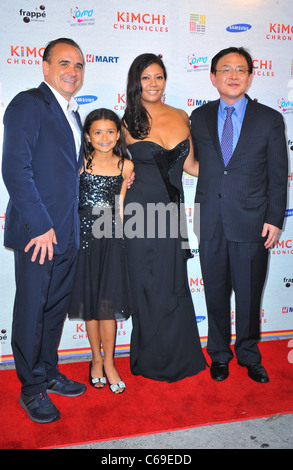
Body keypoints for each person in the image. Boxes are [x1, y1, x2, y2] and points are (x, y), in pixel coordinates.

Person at [190, 47, 288, 383]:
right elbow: (191, 164)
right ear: (213, 76)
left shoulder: (270, 119)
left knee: (248, 295)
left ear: (250, 75)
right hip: (211, 220)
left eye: (240, 69)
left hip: (252, 221)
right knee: (215, 293)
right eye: (225, 69)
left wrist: (275, 218)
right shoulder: (198, 117)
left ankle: (248, 353)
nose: (233, 76)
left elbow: (279, 174)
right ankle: (218, 354)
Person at [2, 38, 87, 423]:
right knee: (32, 310)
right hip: (39, 233)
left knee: (53, 310)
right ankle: (31, 388)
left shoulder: (74, 113)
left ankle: (48, 371)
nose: (72, 71)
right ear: (45, 67)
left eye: (79, 65)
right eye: (64, 63)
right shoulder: (28, 104)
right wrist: (39, 226)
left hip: (68, 232)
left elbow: (66, 171)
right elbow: (15, 170)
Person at [122, 53, 207, 382]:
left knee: (174, 284)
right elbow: (115, 170)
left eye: (158, 77)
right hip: (140, 216)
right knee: (145, 284)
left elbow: (192, 167)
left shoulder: (181, 115)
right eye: (146, 78)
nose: (153, 83)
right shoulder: (126, 122)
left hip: (172, 214)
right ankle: (149, 358)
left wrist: (234, 165)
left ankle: (178, 355)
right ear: (136, 82)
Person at [68, 108, 134, 394]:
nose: (104, 137)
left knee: (108, 305)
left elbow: (121, 207)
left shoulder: (126, 166)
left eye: (110, 131)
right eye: (97, 132)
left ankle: (110, 363)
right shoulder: (79, 162)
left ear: (118, 134)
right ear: (87, 135)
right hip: (83, 241)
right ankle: (95, 359)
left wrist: (122, 242)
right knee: (90, 305)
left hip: (110, 239)